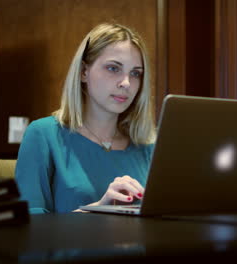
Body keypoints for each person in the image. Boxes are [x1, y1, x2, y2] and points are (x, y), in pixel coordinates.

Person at [15, 23, 156, 214]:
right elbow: (28, 229)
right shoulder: (44, 135)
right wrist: (97, 210)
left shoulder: (148, 146)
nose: (126, 83)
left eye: (135, 73)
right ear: (83, 72)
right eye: (113, 68)